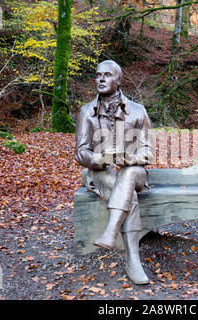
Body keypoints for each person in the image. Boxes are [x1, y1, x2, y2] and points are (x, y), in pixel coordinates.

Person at [75, 60, 154, 284]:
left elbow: (149, 151)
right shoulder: (86, 112)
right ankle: (133, 259)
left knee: (128, 176)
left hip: (134, 172)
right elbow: (81, 152)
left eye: (107, 75)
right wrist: (98, 159)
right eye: (98, 75)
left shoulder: (137, 111)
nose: (101, 79)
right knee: (129, 194)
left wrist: (131, 159)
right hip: (102, 173)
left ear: (118, 80)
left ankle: (111, 232)